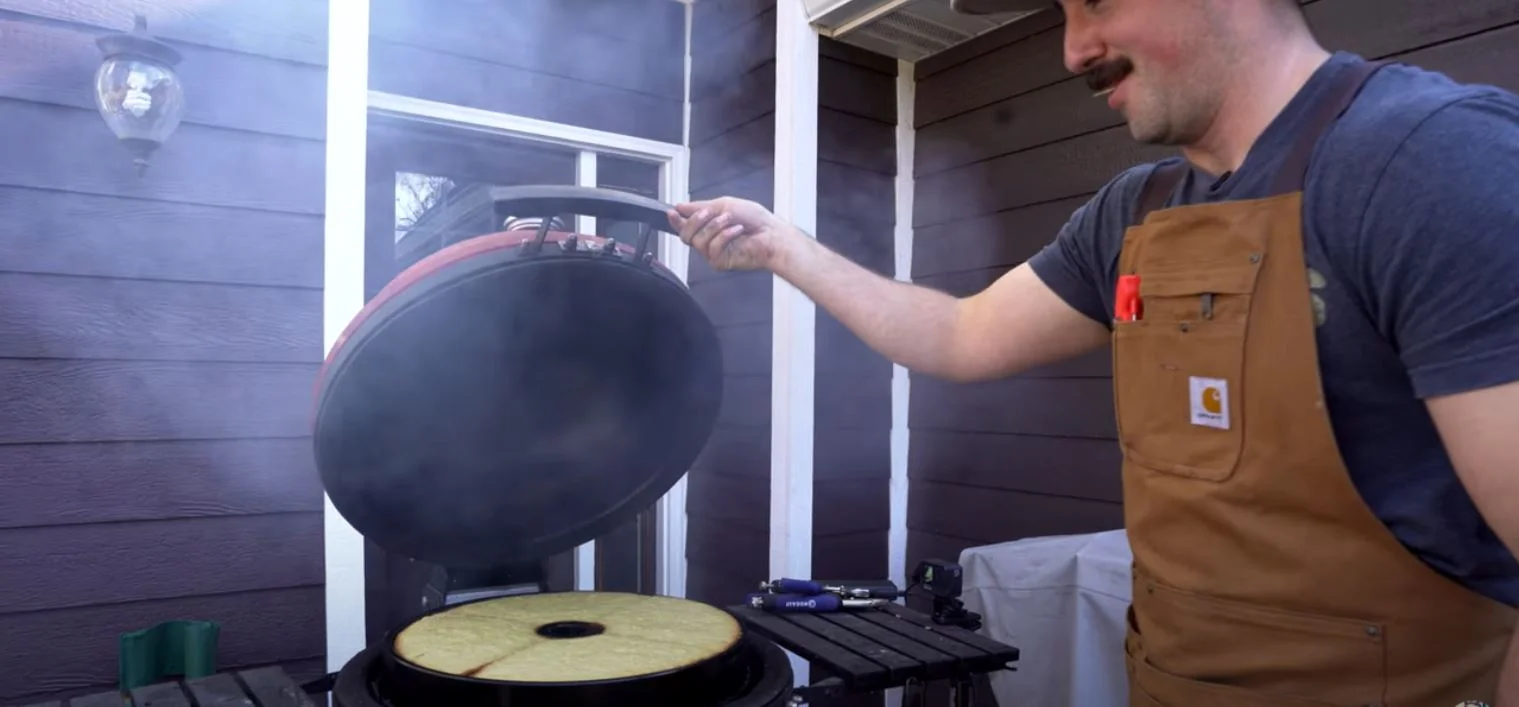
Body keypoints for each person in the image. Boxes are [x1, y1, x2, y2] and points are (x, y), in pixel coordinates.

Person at [668, 0, 1519, 704]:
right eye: (1065, 11)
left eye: (1099, 1)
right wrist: (784, 247)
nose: (1075, 49)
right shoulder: (1133, 211)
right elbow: (959, 336)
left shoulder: (1429, 158)